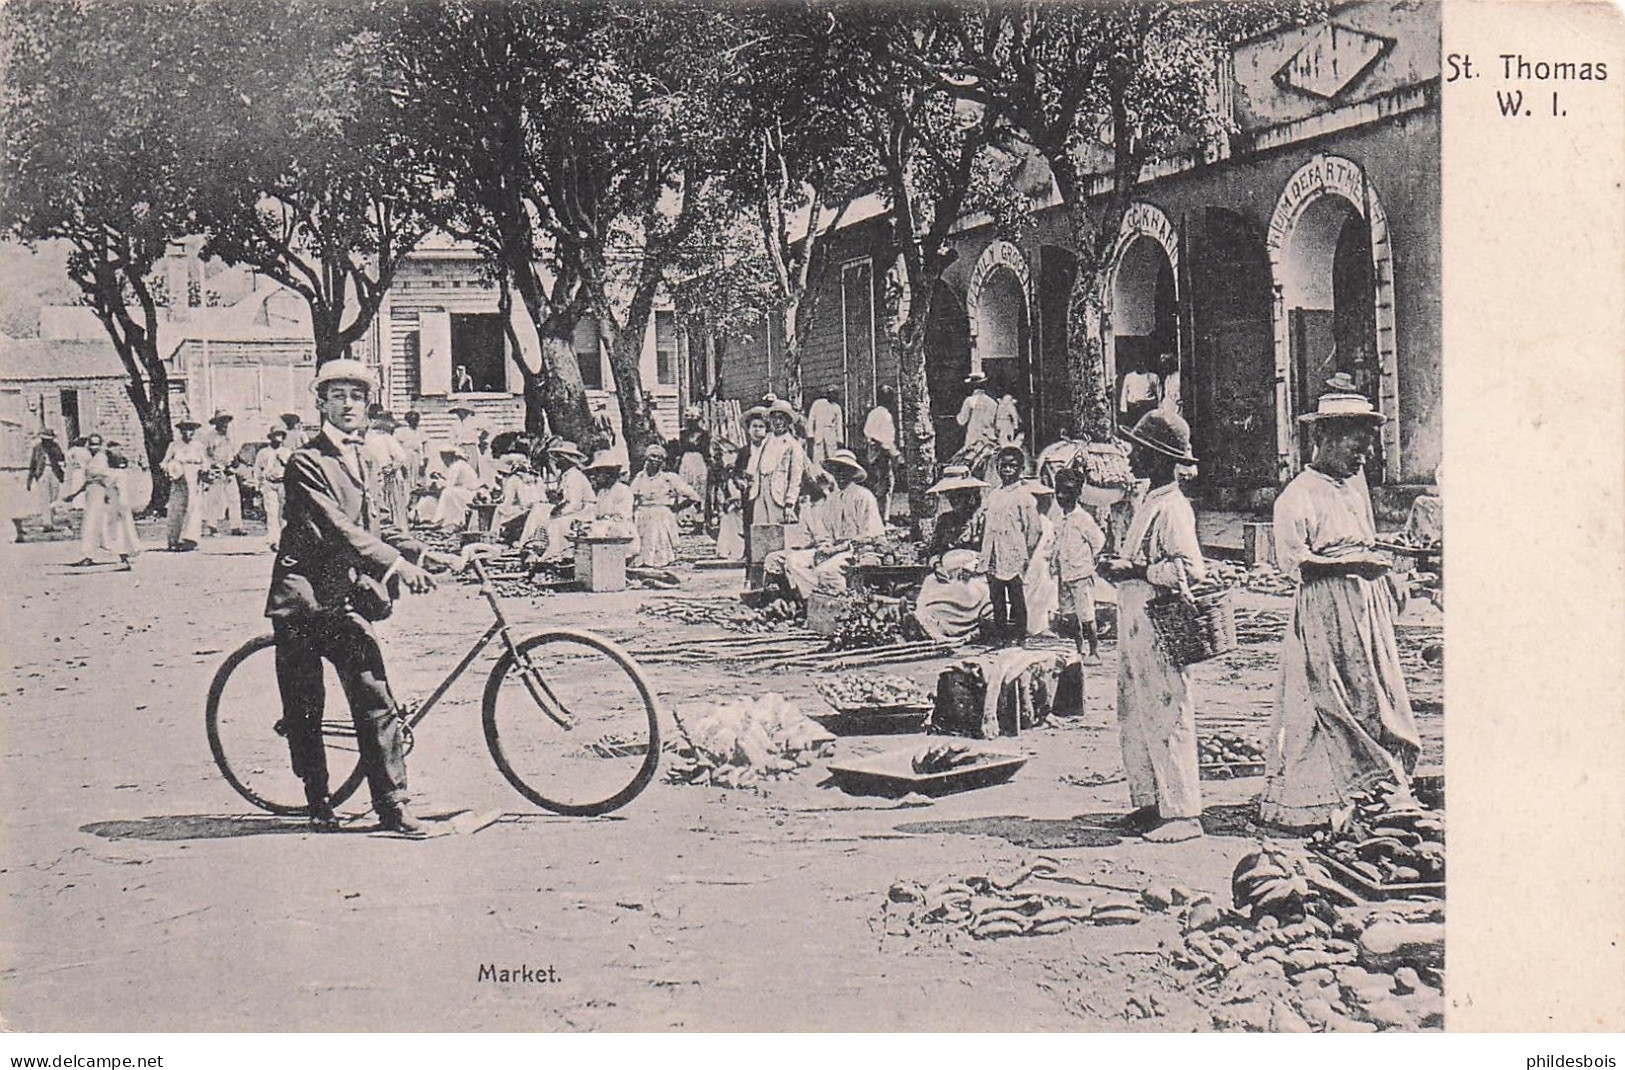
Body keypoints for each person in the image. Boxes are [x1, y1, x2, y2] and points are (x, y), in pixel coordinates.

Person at [267, 358, 459, 835]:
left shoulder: (368, 459)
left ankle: (393, 806)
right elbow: (337, 530)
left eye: (356, 396)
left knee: (375, 696)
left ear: (368, 404)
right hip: (305, 598)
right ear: (322, 404)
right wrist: (395, 567)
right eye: (338, 396)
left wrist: (429, 556)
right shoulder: (305, 461)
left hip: (345, 596)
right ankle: (317, 800)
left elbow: (385, 526)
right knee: (305, 705)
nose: (348, 405)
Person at [1257, 391, 1421, 829]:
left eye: (1368, 450)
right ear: (1326, 439)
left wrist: (1386, 558)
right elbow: (1298, 564)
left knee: (1372, 696)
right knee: (1326, 702)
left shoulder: (1353, 488)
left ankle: (1378, 786)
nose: (1362, 459)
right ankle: (1318, 800)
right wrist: (1354, 564)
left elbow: (1362, 539)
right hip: (1324, 612)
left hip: (1364, 610)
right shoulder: (1297, 496)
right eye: (1355, 448)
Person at [1098, 409, 1207, 843]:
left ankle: (1183, 812)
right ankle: (1149, 802)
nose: (1131, 456)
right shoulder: (1149, 502)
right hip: (1135, 623)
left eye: (1139, 450)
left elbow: (1188, 569)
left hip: (1160, 624)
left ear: (1160, 458)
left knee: (1167, 712)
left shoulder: (1175, 509)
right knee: (1135, 713)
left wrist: (1136, 570)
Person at [763, 449, 883, 601]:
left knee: (825, 571)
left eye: (843, 470)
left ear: (852, 473)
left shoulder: (863, 496)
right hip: (833, 549)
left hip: (854, 551)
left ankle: (837, 600)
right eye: (835, 470)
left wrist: (838, 548)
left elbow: (871, 534)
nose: (838, 474)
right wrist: (824, 546)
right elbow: (825, 531)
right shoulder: (832, 499)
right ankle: (812, 599)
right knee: (794, 561)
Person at [912, 465, 991, 642]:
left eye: (959, 496)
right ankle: (927, 623)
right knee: (931, 583)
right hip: (946, 572)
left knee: (968, 589)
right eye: (951, 497)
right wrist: (937, 565)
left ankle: (956, 629)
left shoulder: (983, 518)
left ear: (971, 496)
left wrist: (973, 565)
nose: (955, 501)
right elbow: (934, 551)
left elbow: (990, 550)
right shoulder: (945, 520)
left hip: (974, 572)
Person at [979, 445, 1042, 646]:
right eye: (1003, 466)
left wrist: (1025, 553)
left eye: (1012, 466)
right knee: (996, 597)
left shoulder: (1024, 497)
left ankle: (1020, 635)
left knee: (1016, 597)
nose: (1007, 470)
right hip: (993, 552)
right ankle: (1001, 636)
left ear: (1020, 469)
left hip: (1014, 552)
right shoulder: (993, 495)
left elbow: (1034, 529)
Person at [1049, 468, 1107, 662]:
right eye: (1059, 493)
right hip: (1064, 574)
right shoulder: (1058, 518)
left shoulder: (1082, 519)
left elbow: (1098, 540)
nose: (1062, 496)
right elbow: (1056, 542)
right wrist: (1053, 562)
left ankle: (1094, 651)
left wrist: (1088, 559)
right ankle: (1079, 647)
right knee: (1069, 613)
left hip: (1080, 574)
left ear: (1077, 494)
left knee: (1086, 613)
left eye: (1067, 492)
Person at [631, 444, 700, 568]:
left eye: (659, 458)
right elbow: (633, 496)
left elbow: (693, 496)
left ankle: (658, 561)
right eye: (653, 456)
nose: (655, 460)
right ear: (647, 458)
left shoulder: (669, 478)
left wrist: (676, 508)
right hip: (642, 514)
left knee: (658, 541)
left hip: (661, 514)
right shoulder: (640, 477)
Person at [717, 408, 767, 562]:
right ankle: (749, 553)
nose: (757, 430)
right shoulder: (744, 452)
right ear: (748, 430)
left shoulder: (770, 449)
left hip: (767, 491)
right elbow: (737, 472)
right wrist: (739, 481)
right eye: (754, 426)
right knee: (748, 521)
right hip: (749, 491)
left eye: (760, 426)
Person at [528, 440, 593, 557]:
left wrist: (559, 513)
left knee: (557, 523)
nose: (555, 461)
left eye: (559, 458)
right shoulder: (566, 476)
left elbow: (575, 503)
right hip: (575, 509)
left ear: (566, 460)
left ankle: (558, 553)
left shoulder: (574, 475)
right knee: (539, 510)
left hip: (585, 512)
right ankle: (534, 545)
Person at [750, 399, 807, 526]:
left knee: (778, 532)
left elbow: (795, 478)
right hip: (760, 491)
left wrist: (790, 502)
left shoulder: (793, 445)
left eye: (781, 418)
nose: (778, 422)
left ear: (787, 420)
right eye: (774, 418)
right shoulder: (766, 439)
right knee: (759, 529)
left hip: (779, 493)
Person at [65, 435, 113, 567]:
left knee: (90, 523)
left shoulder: (102, 458)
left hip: (99, 492)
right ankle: (115, 552)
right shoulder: (89, 458)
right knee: (98, 522)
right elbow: (87, 482)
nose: (94, 447)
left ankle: (88, 555)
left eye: (97, 444)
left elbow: (105, 478)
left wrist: (108, 494)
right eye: (92, 444)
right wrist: (75, 494)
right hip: (91, 492)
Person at [582, 450, 640, 557]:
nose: (596, 476)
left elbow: (621, 516)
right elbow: (596, 513)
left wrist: (601, 523)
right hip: (603, 528)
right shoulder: (602, 492)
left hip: (620, 530)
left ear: (609, 473)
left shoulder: (623, 490)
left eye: (599, 473)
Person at [161, 419, 207, 551]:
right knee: (177, 507)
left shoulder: (198, 446)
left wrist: (203, 470)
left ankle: (190, 539)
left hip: (194, 477)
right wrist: (170, 470)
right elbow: (164, 462)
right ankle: (174, 539)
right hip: (179, 477)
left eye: (191, 429)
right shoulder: (174, 445)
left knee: (193, 507)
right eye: (185, 429)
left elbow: (205, 462)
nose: (188, 432)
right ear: (180, 431)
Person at [362, 407, 412, 529]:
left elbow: (400, 457)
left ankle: (393, 528)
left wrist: (392, 468)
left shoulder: (382, 438)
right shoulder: (367, 439)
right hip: (374, 475)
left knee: (387, 503)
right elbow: (401, 457)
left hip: (387, 475)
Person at [672, 407, 713, 530]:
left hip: (699, 462)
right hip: (686, 462)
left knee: (699, 489)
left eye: (694, 421)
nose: (691, 424)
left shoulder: (704, 434)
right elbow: (680, 450)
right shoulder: (683, 434)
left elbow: (706, 452)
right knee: (685, 487)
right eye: (689, 421)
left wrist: (709, 465)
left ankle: (699, 519)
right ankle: (685, 519)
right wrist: (677, 463)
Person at [253, 428, 294, 551]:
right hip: (269, 483)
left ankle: (285, 540)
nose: (278, 438)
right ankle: (274, 540)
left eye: (280, 435)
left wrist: (284, 462)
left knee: (284, 513)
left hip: (283, 483)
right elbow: (257, 470)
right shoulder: (263, 452)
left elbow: (292, 469)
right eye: (275, 435)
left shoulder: (287, 452)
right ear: (270, 437)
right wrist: (257, 486)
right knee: (272, 512)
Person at [863, 385, 900, 520]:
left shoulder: (873, 413)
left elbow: (867, 431)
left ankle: (878, 516)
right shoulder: (885, 415)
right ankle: (882, 518)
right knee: (886, 485)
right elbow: (885, 439)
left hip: (874, 452)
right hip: (882, 453)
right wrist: (893, 453)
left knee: (878, 484)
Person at [955, 371, 998, 480]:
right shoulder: (993, 403)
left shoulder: (970, 401)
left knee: (970, 467)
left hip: (973, 440)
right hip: (988, 440)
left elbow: (961, 420)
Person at [431, 444, 481, 531]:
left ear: (449, 457)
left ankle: (441, 519)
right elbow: (452, 480)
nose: (443, 461)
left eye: (444, 458)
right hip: (465, 490)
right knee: (448, 493)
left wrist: (438, 481)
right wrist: (441, 477)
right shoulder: (459, 464)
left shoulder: (457, 466)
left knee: (447, 492)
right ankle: (445, 520)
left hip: (469, 493)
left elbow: (449, 484)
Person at [26, 428, 66, 531]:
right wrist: (29, 480)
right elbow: (33, 463)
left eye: (48, 439)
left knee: (54, 499)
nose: (46, 441)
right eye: (44, 439)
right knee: (45, 498)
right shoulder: (37, 448)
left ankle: (51, 521)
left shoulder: (55, 447)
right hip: (42, 472)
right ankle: (47, 523)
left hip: (54, 472)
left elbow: (61, 460)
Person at [805, 386, 844, 469]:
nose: (831, 396)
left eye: (834, 394)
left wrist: (840, 439)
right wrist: (810, 434)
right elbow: (811, 419)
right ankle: (817, 472)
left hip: (830, 433)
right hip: (819, 431)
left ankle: (832, 473)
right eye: (829, 393)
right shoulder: (817, 404)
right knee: (818, 455)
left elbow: (839, 424)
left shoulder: (837, 408)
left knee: (832, 454)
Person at [1118, 355, 1161, 427]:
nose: (1140, 364)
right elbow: (1124, 393)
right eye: (1138, 362)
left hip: (1146, 408)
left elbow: (1158, 394)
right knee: (1133, 427)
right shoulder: (1129, 377)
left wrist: (1159, 408)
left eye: (1142, 362)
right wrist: (1123, 408)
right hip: (1133, 408)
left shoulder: (1153, 377)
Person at [394, 411, 428, 485]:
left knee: (419, 482)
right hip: (406, 459)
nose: (414, 422)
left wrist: (424, 465)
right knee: (406, 481)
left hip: (417, 459)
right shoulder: (401, 431)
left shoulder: (421, 432)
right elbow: (397, 449)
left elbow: (425, 450)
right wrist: (401, 464)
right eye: (412, 420)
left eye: (416, 420)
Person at [994, 382, 1022, 449]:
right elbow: (1014, 414)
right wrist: (1016, 426)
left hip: (999, 422)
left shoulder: (999, 404)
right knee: (1007, 441)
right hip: (1006, 424)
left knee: (1000, 440)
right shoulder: (1009, 403)